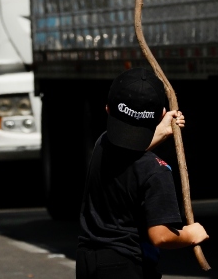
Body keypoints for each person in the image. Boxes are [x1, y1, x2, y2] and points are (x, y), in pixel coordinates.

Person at [76, 67, 208, 279]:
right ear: (162, 114)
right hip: (127, 265)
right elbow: (160, 236)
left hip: (88, 261)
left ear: (108, 109)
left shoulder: (103, 144)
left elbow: (127, 154)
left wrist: (163, 131)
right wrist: (189, 234)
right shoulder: (156, 171)